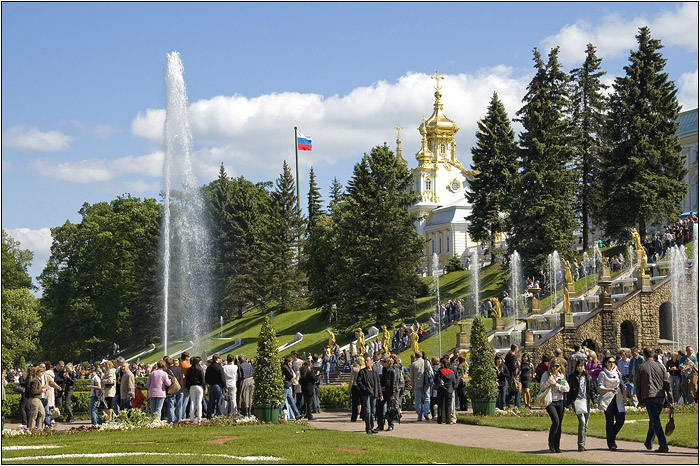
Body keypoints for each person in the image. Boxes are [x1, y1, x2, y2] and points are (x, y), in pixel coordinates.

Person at [635, 347, 673, 453]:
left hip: (649, 396)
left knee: (655, 421)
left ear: (644, 355)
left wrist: (640, 400)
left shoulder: (641, 367)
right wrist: (670, 399)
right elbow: (667, 384)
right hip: (660, 396)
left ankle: (663, 445)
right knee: (654, 419)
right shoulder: (660, 366)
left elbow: (638, 385)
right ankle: (648, 441)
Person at [539, 359, 569, 453]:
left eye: (558, 366)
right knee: (555, 421)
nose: (556, 368)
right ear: (551, 367)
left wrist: (556, 385)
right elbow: (542, 387)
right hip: (550, 401)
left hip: (559, 401)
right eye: (554, 366)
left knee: (559, 424)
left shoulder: (561, 377)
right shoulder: (546, 375)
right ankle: (551, 443)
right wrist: (549, 381)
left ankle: (557, 446)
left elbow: (566, 388)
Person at [567, 360, 597, 451]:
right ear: (576, 367)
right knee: (582, 422)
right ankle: (580, 444)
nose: (580, 368)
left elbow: (591, 390)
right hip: (577, 401)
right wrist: (569, 403)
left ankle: (583, 444)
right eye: (579, 366)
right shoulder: (573, 377)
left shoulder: (588, 377)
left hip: (585, 401)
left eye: (582, 366)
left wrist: (594, 401)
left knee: (586, 424)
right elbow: (570, 391)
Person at [598, 355, 625, 451]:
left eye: (613, 362)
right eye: (609, 362)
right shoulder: (603, 374)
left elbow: (622, 383)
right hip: (607, 399)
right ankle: (611, 443)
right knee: (609, 421)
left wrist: (625, 394)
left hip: (617, 398)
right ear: (605, 363)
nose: (612, 364)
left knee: (621, 420)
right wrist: (610, 389)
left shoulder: (617, 372)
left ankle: (611, 436)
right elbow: (599, 387)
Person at [356, 355, 381, 434]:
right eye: (365, 361)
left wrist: (380, 393)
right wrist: (364, 388)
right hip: (366, 394)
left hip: (374, 394)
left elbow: (378, 383)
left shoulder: (375, 372)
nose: (366, 362)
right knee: (368, 411)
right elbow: (359, 382)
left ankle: (371, 427)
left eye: (367, 360)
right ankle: (368, 428)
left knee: (373, 411)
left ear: (371, 362)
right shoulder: (362, 372)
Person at [408, 351, 432, 421]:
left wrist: (412, 385)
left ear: (415, 356)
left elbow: (411, 377)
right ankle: (426, 412)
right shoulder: (426, 362)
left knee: (418, 400)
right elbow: (431, 373)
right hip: (426, 383)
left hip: (417, 384)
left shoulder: (413, 364)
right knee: (427, 398)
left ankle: (419, 415)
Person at [436, 357, 458, 424]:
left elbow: (435, 380)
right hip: (449, 390)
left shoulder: (440, 371)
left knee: (440, 405)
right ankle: (448, 420)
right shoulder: (451, 372)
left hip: (441, 389)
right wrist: (453, 387)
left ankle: (440, 419)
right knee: (448, 405)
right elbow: (454, 382)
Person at [204, 354, 226, 419]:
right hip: (218, 385)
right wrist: (224, 386)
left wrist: (208, 383)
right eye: (219, 358)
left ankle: (210, 414)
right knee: (219, 401)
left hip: (211, 385)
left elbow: (206, 377)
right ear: (217, 359)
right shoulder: (219, 367)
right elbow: (222, 377)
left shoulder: (209, 367)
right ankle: (219, 414)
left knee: (211, 401)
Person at [185, 356, 205, 422]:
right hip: (199, 386)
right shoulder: (200, 369)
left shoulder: (190, 369)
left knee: (192, 402)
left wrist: (188, 387)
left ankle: (191, 418)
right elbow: (202, 379)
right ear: (198, 362)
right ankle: (199, 418)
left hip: (192, 386)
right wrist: (204, 388)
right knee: (199, 402)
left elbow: (187, 379)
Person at [282, 356, 301, 420]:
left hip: (288, 385)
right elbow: (291, 375)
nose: (291, 363)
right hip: (286, 385)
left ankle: (297, 414)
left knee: (291, 400)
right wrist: (290, 368)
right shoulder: (285, 367)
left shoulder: (286, 367)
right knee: (283, 401)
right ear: (288, 362)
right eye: (290, 362)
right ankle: (279, 415)